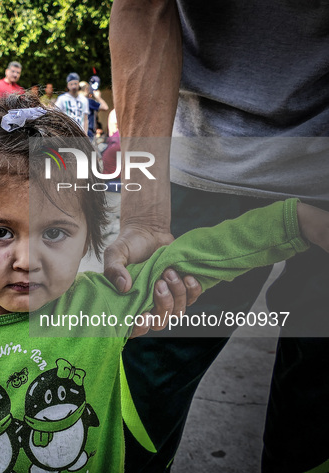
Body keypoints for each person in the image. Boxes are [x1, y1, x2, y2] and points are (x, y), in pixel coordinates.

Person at [0, 94, 329, 473]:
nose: (28, 260)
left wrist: (296, 222)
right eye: (0, 232)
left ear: (89, 239)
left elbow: (198, 254)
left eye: (54, 233)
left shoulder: (100, 305)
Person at [108, 1, 329, 472]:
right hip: (204, 166)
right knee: (137, 395)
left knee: (317, 418)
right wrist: (145, 213)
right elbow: (143, 7)